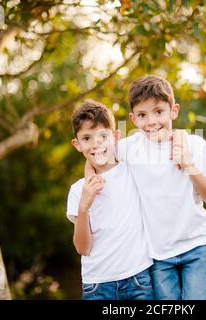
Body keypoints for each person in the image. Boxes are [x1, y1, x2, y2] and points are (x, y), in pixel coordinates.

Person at [118, 75, 206, 300]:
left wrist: (189, 164)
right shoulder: (128, 149)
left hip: (196, 247)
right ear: (133, 119)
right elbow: (94, 152)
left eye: (158, 112)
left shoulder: (195, 145)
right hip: (158, 255)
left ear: (173, 111)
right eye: (142, 115)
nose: (151, 121)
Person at [66, 99, 154, 300]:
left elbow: (156, 138)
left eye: (103, 136)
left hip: (138, 278)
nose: (96, 143)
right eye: (87, 138)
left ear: (115, 137)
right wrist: (84, 207)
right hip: (97, 284)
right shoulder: (78, 190)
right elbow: (82, 248)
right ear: (77, 144)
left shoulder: (133, 170)